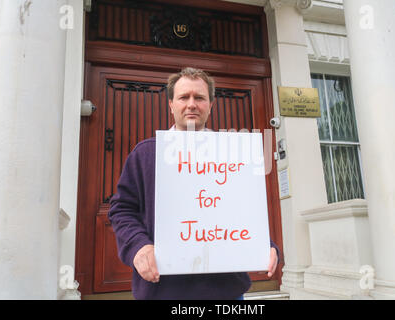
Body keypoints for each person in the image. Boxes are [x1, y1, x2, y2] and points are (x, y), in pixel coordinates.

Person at [108, 67, 279, 300]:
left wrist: (264, 246)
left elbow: (247, 213)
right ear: (171, 104)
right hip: (162, 292)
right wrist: (138, 246)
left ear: (211, 104)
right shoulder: (146, 154)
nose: (191, 104)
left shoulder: (233, 156)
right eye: (183, 97)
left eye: (199, 97)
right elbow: (121, 209)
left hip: (226, 292)